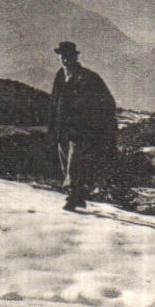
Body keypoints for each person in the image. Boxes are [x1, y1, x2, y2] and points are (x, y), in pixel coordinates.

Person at [48, 41, 118, 210]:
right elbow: (54, 102)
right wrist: (52, 127)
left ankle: (72, 196)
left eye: (68, 56)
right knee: (66, 161)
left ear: (75, 57)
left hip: (81, 129)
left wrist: (94, 123)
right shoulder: (59, 76)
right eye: (61, 56)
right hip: (62, 128)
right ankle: (77, 195)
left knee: (74, 161)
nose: (64, 59)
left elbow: (107, 102)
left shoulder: (88, 77)